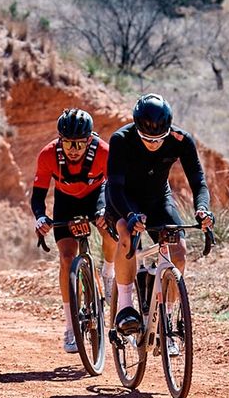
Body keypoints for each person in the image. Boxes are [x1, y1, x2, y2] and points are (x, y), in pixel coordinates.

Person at [105, 94, 213, 344]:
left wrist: (203, 210)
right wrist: (130, 215)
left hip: (157, 198)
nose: (153, 144)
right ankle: (124, 307)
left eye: (158, 139)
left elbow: (198, 182)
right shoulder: (122, 139)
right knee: (126, 233)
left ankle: (166, 319)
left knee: (179, 252)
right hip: (124, 198)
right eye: (147, 139)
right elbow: (115, 187)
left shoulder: (181, 140)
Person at [31, 108, 115, 353]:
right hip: (66, 202)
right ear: (60, 140)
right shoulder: (47, 155)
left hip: (97, 196)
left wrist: (103, 211)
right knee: (67, 258)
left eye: (79, 143)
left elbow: (112, 187)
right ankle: (70, 327)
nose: (74, 149)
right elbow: (38, 196)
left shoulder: (104, 152)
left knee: (109, 231)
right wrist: (40, 218)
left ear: (90, 140)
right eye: (68, 143)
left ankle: (108, 272)